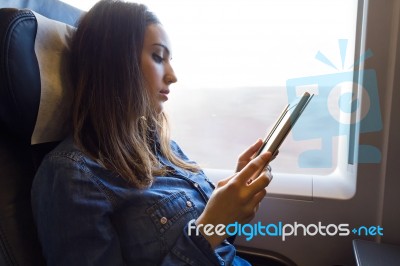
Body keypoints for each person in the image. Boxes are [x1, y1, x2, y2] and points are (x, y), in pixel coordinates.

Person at [31, 0, 273, 265]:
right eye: (158, 57)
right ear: (116, 62)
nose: (172, 76)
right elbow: (206, 237)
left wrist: (232, 211)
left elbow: (218, 250)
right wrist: (210, 228)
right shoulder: (73, 174)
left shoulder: (162, 147)